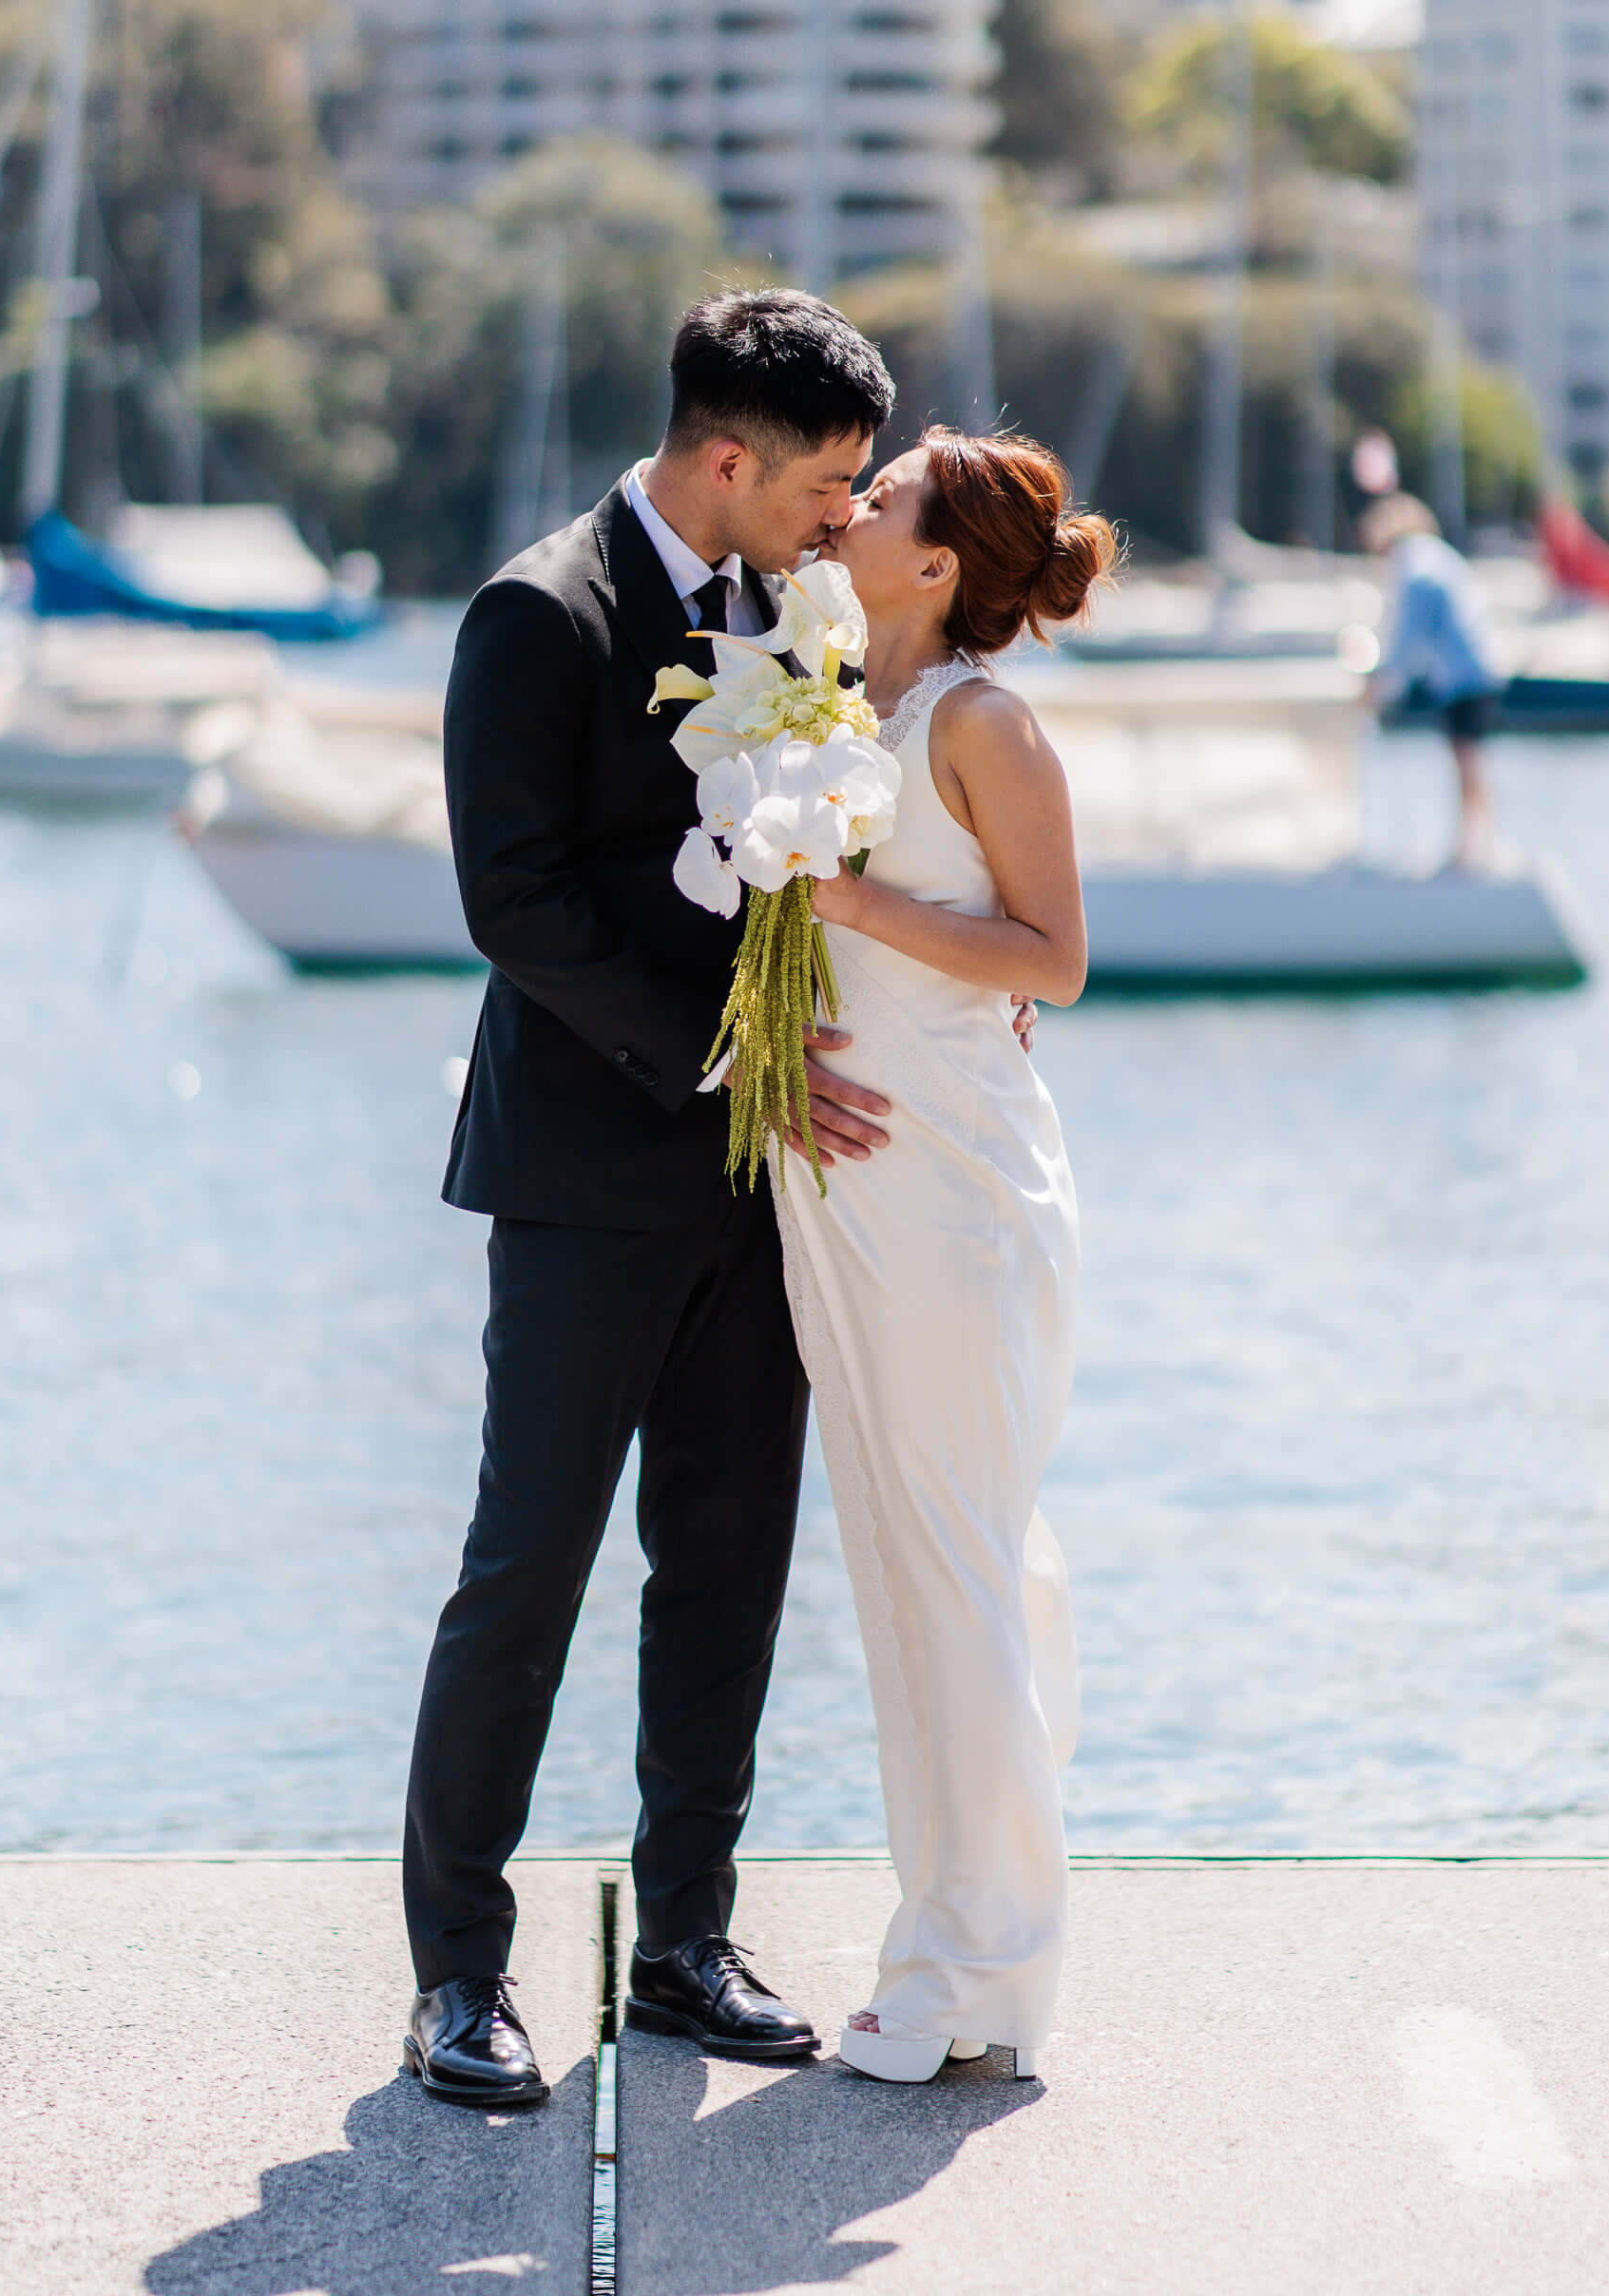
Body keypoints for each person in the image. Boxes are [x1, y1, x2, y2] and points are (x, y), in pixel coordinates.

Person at [401, 292, 1035, 2111]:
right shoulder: (538, 611)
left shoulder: (802, 606)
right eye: (831, 479)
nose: (850, 513)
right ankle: (458, 1974)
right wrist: (727, 1060)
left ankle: (686, 1940)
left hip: (782, 1185)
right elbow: (516, 909)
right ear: (729, 459)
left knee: (728, 1561)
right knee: (524, 1568)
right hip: (589, 1174)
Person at [779, 427, 1116, 2086]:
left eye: (890, 492)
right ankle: (967, 1946)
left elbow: (1051, 957)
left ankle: (966, 1968)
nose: (857, 502)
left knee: (960, 1563)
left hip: (959, 1183)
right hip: (840, 1174)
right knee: (918, 1568)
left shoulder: (982, 725)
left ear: (934, 565)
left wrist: (849, 907)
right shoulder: (824, 693)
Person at [1359, 492, 1505, 870]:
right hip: (1477, 668)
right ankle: (1481, 844)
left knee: (1465, 759)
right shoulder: (1434, 555)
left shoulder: (1415, 566)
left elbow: (1408, 636)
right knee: (1470, 760)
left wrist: (1384, 684)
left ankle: (1472, 851)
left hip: (1464, 675)